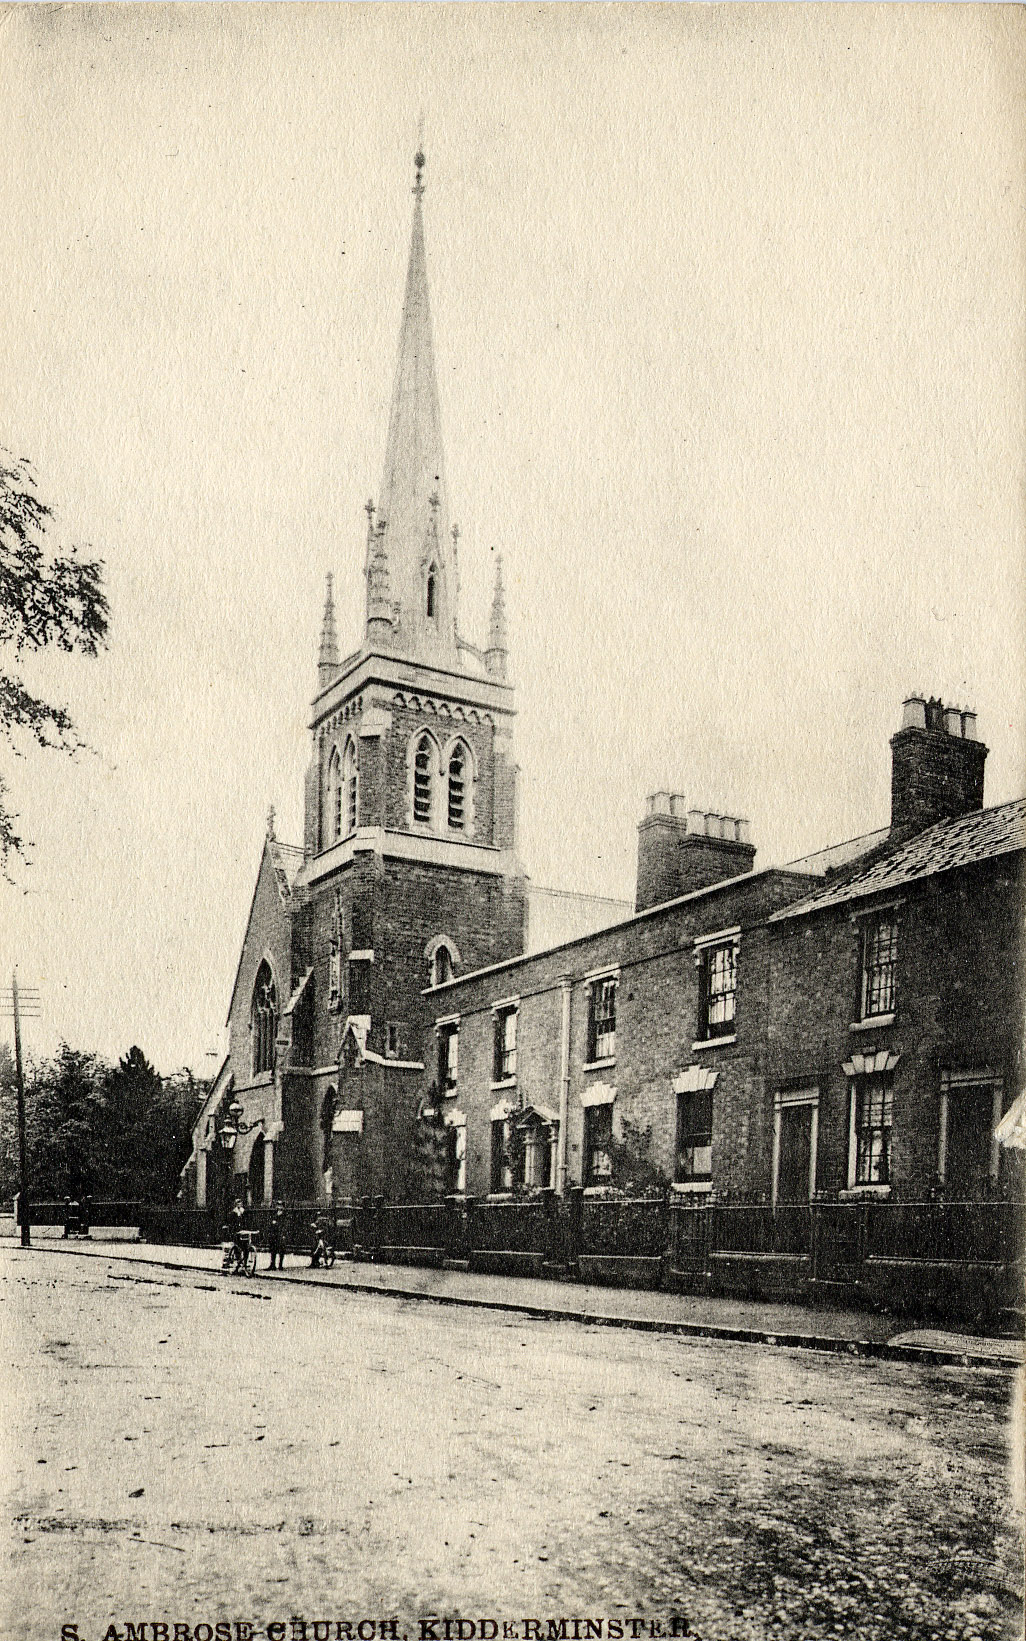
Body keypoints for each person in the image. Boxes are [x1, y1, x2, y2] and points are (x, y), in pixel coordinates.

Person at [267, 1202, 286, 1271]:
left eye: (280, 1206)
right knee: (273, 1250)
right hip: (274, 1234)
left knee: (281, 1250)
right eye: (278, 1205)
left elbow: (285, 1225)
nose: (279, 1207)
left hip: (281, 1234)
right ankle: (272, 1265)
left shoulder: (285, 1215)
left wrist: (284, 1234)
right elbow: (270, 1222)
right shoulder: (274, 1213)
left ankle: (280, 1265)